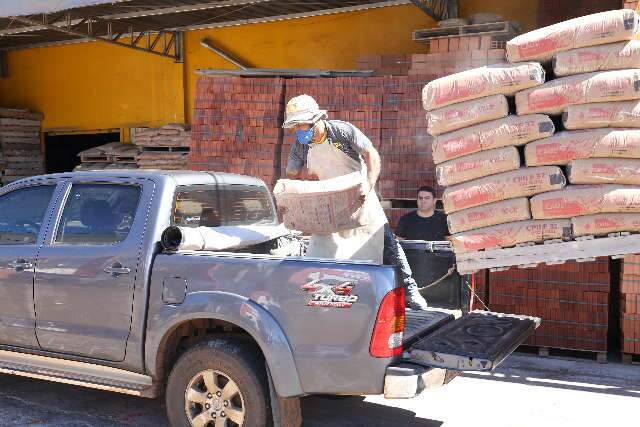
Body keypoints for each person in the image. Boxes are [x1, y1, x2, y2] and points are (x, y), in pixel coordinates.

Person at [283, 94, 429, 310]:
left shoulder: (341, 132)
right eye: (294, 127)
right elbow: (292, 173)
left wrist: (368, 185)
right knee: (321, 250)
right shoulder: (301, 145)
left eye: (300, 125)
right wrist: (297, 189)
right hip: (329, 203)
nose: (298, 131)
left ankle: (410, 290)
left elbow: (371, 154)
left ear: (315, 119)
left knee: (386, 244)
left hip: (359, 197)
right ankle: (326, 299)